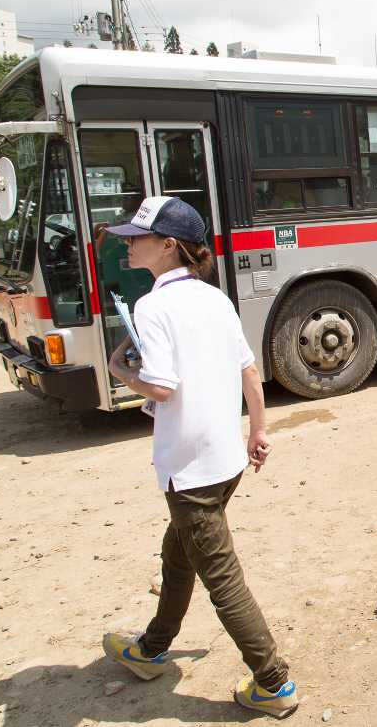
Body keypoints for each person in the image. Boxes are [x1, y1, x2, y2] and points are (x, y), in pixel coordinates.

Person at [100, 196, 297, 718]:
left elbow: (163, 388)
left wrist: (121, 372)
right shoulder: (215, 299)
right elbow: (248, 371)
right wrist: (258, 431)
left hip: (190, 470)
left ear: (168, 246)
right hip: (224, 459)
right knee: (178, 553)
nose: (128, 243)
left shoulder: (153, 306)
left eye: (138, 237)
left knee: (221, 577)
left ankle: (274, 682)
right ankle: (152, 647)